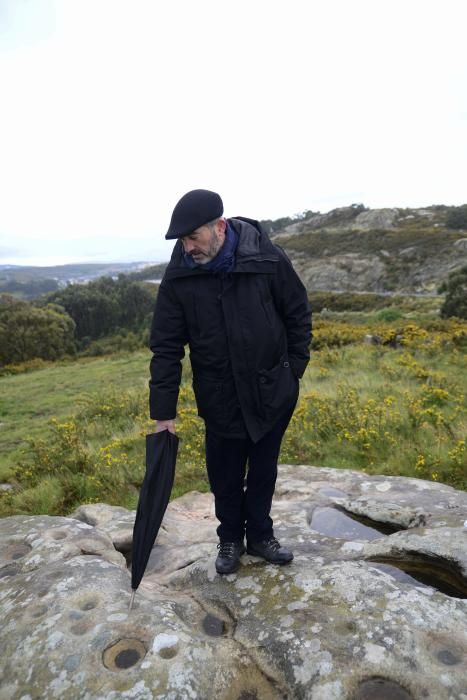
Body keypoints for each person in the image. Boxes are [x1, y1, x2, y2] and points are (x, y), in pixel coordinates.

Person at [149, 189, 312, 574]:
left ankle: (260, 535)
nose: (188, 248)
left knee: (263, 469)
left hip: (272, 390)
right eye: (182, 241)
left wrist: (293, 370)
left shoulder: (267, 258)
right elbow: (166, 347)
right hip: (219, 395)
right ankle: (229, 540)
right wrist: (163, 413)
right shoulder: (179, 278)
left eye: (193, 237)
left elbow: (297, 312)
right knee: (224, 473)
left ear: (219, 227)